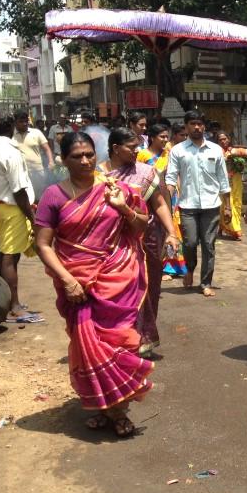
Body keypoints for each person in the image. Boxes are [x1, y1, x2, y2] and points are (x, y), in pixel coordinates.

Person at [34, 132, 154, 437]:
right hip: (77, 284)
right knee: (87, 346)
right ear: (64, 160)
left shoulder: (117, 189)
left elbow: (140, 226)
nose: (85, 161)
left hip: (118, 281)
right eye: (77, 156)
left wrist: (123, 207)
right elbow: (43, 245)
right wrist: (68, 279)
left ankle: (119, 410)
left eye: (89, 154)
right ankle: (104, 406)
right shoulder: (54, 196)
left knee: (119, 344)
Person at [102, 128, 179, 358]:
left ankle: (144, 338)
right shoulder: (99, 175)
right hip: (113, 243)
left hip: (147, 239)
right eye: (132, 147)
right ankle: (119, 338)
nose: (137, 151)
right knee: (120, 291)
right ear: (116, 149)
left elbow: (160, 204)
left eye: (138, 146)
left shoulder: (145, 172)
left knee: (149, 289)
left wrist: (171, 233)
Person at [0, 112, 38, 322]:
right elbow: (19, 190)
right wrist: (31, 216)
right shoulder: (10, 152)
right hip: (13, 208)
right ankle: (14, 305)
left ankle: (13, 301)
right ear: (11, 125)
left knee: (8, 254)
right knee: (10, 256)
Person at [164, 111, 230, 297]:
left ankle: (205, 282)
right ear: (186, 126)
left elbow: (223, 180)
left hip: (211, 205)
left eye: (200, 124)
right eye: (192, 124)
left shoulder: (215, 149)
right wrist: (167, 203)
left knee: (209, 245)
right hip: (188, 205)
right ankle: (190, 269)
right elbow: (170, 178)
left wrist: (227, 207)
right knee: (190, 242)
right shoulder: (178, 150)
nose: (196, 127)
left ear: (204, 126)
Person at [143, 123, 187, 278]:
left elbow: (177, 175)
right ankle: (158, 266)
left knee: (172, 229)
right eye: (162, 137)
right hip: (151, 198)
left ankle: (171, 265)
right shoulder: (142, 155)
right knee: (155, 231)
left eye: (166, 137)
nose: (165, 139)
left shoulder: (170, 154)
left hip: (171, 196)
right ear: (152, 138)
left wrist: (179, 195)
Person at [13, 111, 55, 198]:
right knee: (25, 197)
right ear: (15, 122)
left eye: (26, 121)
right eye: (21, 122)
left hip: (38, 171)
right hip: (20, 173)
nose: (24, 124)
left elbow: (47, 149)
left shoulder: (36, 132)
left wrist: (51, 161)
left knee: (40, 196)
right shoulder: (11, 135)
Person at [216, 131, 247, 240]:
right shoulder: (216, 152)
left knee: (237, 202)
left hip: (236, 178)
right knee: (226, 203)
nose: (223, 141)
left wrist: (240, 161)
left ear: (229, 139)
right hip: (224, 180)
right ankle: (236, 230)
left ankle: (222, 227)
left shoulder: (235, 151)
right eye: (220, 139)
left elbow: (243, 166)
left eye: (225, 139)